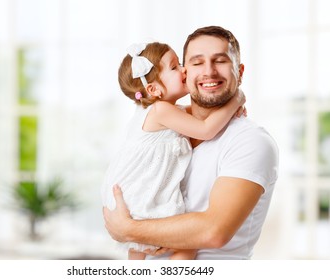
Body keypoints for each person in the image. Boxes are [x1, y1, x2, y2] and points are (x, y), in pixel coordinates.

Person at [103, 26, 279, 260]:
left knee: (186, 249)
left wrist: (128, 229)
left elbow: (213, 232)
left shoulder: (250, 141)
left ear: (240, 72)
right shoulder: (175, 128)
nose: (209, 71)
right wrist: (236, 100)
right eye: (196, 63)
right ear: (186, 72)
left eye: (220, 61)